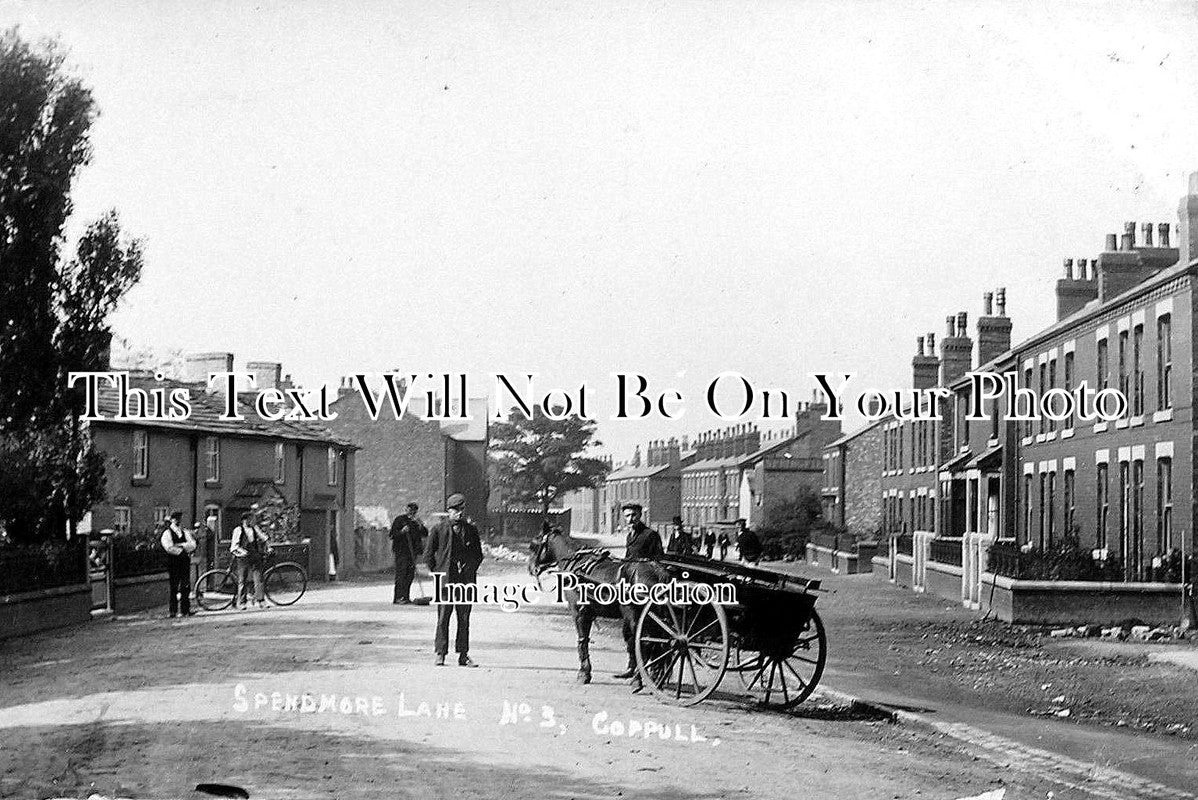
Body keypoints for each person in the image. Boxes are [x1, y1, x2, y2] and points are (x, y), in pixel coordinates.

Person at [424, 493, 483, 667]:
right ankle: (440, 653)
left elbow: (478, 555)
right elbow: (428, 555)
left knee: (464, 619)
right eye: (455, 510)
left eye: (461, 509)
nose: (459, 513)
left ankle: (463, 655)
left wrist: (469, 569)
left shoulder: (472, 530)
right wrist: (438, 573)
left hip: (465, 582)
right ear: (448, 511)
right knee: (443, 618)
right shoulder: (438, 530)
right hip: (445, 582)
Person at [613, 502, 663, 681]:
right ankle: (632, 665)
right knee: (628, 630)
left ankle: (650, 670)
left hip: (646, 589)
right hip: (629, 589)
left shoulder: (650, 535)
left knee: (646, 631)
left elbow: (658, 563)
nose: (630, 519)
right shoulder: (630, 536)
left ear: (640, 515)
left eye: (633, 515)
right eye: (627, 516)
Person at [231, 509, 271, 610]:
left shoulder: (254, 528)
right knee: (242, 580)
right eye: (250, 519)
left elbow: (264, 537)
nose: (252, 521)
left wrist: (268, 546)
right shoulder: (238, 530)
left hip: (254, 556)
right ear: (244, 520)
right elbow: (234, 546)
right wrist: (242, 552)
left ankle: (261, 601)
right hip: (243, 558)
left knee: (259, 579)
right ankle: (242, 602)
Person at [160, 511, 196, 618]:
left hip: (184, 562)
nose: (177, 520)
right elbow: (169, 547)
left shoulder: (185, 532)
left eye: (178, 518)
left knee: (186, 586)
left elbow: (193, 545)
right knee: (174, 587)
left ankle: (185, 610)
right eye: (175, 518)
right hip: (174, 562)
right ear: (171, 520)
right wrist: (183, 549)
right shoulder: (167, 533)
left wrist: (181, 545)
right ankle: (173, 611)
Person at [390, 502, 427, 604]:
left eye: (414, 511)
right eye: (410, 510)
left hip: (412, 552)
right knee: (401, 574)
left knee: (409, 575)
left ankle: (406, 596)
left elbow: (425, 533)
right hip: (401, 551)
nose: (412, 513)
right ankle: (398, 597)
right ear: (406, 509)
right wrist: (402, 531)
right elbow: (392, 535)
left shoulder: (415, 522)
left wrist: (420, 525)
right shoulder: (400, 520)